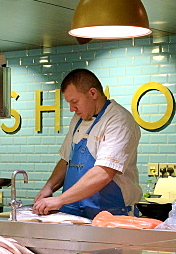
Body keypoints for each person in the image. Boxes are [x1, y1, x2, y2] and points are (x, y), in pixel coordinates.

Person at [33, 69, 142, 219]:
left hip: (111, 216)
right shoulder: (78, 119)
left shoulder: (118, 120)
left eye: (75, 102)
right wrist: (49, 187)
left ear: (93, 93)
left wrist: (60, 199)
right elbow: (66, 160)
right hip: (75, 213)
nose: (72, 109)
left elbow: (104, 173)